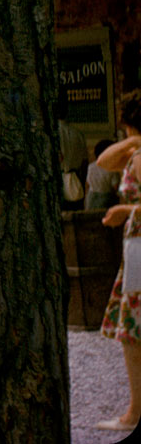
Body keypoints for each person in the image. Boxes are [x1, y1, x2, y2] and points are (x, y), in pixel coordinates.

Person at [97, 90, 141, 433]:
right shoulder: (135, 151)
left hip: (140, 246)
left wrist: (127, 210)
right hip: (135, 247)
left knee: (133, 331)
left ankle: (135, 412)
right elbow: (104, 161)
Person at [58, 100, 90, 210]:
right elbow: (85, 162)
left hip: (59, 182)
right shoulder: (78, 133)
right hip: (76, 181)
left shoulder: (52, 133)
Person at [87, 139, 121, 210]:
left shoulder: (90, 166)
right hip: (106, 199)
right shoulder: (111, 168)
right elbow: (115, 187)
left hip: (91, 198)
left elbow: (87, 184)